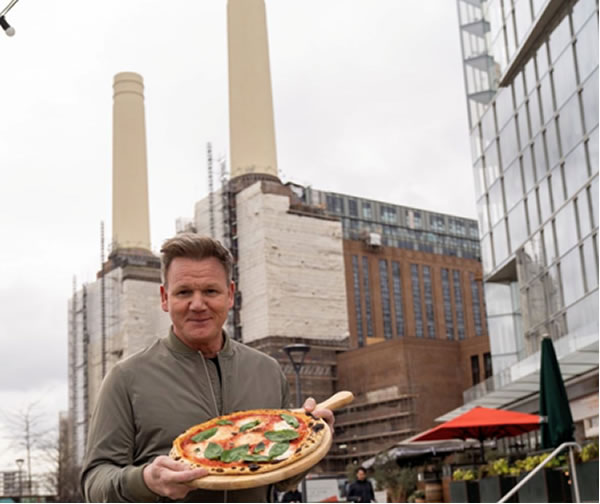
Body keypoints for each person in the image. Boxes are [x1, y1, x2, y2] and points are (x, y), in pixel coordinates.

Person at [81, 233, 334, 502]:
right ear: (165, 298)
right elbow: (94, 483)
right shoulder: (125, 378)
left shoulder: (268, 371)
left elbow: (283, 477)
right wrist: (144, 481)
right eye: (184, 292)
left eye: (210, 291)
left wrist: (315, 437)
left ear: (230, 295)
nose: (198, 304)